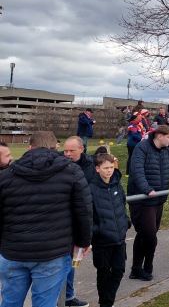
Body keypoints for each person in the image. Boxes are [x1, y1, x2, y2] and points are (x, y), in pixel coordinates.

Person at [0, 131, 92, 307]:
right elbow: (84, 210)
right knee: (45, 303)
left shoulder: (6, 175)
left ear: (30, 147)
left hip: (14, 250)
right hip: (52, 252)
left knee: (10, 302)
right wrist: (83, 242)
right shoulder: (72, 171)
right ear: (55, 147)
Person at [127, 125, 169, 281]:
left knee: (145, 234)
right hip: (143, 200)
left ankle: (136, 269)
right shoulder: (142, 148)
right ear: (159, 136)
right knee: (149, 235)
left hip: (159, 199)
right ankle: (147, 266)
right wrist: (146, 189)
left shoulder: (166, 151)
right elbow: (137, 170)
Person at [89, 153, 130, 307]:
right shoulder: (91, 188)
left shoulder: (117, 185)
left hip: (119, 238)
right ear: (97, 169)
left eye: (111, 167)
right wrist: (97, 230)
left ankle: (107, 302)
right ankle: (105, 303)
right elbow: (87, 215)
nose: (109, 170)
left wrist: (125, 222)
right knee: (104, 273)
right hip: (102, 241)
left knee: (119, 270)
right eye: (106, 168)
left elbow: (122, 204)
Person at [62, 136, 96, 307]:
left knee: (72, 263)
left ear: (82, 149)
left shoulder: (91, 166)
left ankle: (68, 296)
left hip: (82, 220)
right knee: (63, 263)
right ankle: (62, 298)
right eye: (65, 150)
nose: (67, 154)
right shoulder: (59, 164)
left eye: (71, 151)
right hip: (64, 221)